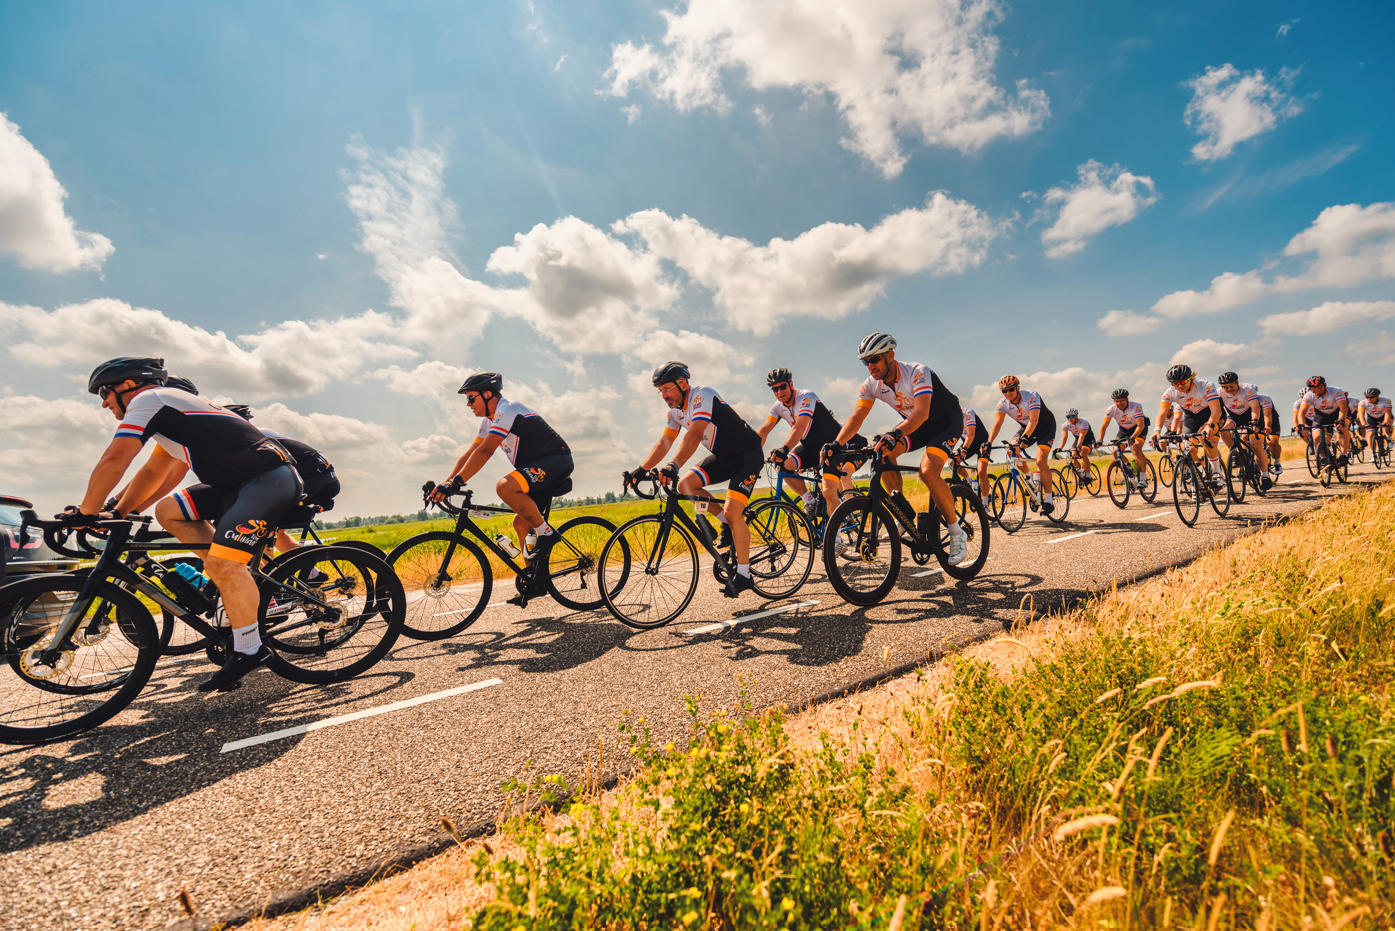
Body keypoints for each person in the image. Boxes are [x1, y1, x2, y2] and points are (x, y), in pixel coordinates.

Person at [78, 357, 301, 692]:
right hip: (236, 486)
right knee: (168, 511)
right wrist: (116, 512)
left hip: (266, 480)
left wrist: (85, 512)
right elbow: (153, 474)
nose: (103, 403)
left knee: (225, 565)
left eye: (105, 393)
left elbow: (116, 458)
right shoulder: (167, 413)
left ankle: (250, 648)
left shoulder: (148, 400)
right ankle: (231, 580)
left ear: (128, 386)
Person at [824, 333, 969, 565]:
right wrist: (836, 444)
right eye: (866, 362)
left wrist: (895, 433)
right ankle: (903, 511)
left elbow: (922, 412)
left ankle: (955, 532)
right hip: (916, 425)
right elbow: (856, 418)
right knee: (883, 452)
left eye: (875, 359)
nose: (870, 366)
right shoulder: (871, 385)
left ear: (890, 355)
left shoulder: (918, 372)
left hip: (944, 422)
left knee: (928, 472)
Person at [432, 373, 574, 599]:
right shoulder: (488, 420)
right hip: (536, 468)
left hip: (557, 461)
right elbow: (470, 453)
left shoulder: (507, 410)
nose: (468, 404)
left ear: (487, 394)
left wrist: (457, 482)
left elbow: (486, 451)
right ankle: (533, 580)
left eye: (471, 398)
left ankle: (547, 533)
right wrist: (446, 483)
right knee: (520, 523)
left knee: (504, 487)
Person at [634, 362, 763, 597]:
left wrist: (673, 465)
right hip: (724, 457)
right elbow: (664, 443)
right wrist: (640, 470)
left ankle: (744, 574)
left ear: (683, 384)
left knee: (736, 513)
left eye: (667, 389)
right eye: (660, 391)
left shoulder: (701, 395)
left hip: (747, 456)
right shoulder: (674, 412)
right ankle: (725, 522)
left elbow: (694, 433)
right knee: (686, 485)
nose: (664, 395)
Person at [223, 405, 340, 556]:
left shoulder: (253, 437)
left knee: (260, 527)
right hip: (321, 479)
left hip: (315, 480)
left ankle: (269, 576)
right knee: (272, 531)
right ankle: (309, 573)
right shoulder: (258, 433)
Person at [755, 367, 864, 521]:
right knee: (783, 465)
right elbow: (764, 430)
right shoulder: (778, 407)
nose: (779, 392)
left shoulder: (806, 397)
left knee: (828, 491)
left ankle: (837, 539)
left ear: (791, 384)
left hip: (832, 448)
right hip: (811, 448)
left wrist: (784, 448)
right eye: (775, 389)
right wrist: (753, 451)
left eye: (782, 386)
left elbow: (799, 427)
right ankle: (809, 501)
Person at [986, 375, 1058, 515]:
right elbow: (997, 424)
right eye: (1004, 391)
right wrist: (988, 443)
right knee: (1011, 450)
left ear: (1017, 388)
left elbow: (1034, 420)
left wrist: (1025, 437)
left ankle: (1048, 500)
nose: (1008, 393)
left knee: (1040, 460)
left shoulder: (1031, 396)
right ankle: (1030, 479)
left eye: (1011, 389)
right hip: (1026, 428)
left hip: (1044, 427)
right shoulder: (1002, 404)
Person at [1154, 364, 1225, 489]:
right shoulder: (1169, 393)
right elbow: (1161, 414)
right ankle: (1199, 471)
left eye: (1182, 382)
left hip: (1212, 414)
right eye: (1175, 384)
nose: (1179, 386)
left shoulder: (1205, 385)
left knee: (1205, 436)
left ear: (1190, 378)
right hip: (1191, 417)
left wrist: (1209, 425)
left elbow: (1216, 410)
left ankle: (1218, 474)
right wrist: (1157, 431)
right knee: (1186, 446)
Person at [1215, 372, 1273, 490]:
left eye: (1231, 385)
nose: (1229, 389)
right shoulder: (1219, 392)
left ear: (1237, 382)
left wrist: (1255, 422)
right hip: (1234, 417)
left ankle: (1265, 475)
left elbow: (1255, 407)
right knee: (1222, 430)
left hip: (1251, 415)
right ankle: (1236, 452)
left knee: (1255, 445)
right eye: (1225, 387)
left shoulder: (1247, 388)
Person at [1098, 388, 1151, 486]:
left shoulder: (1136, 406)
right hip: (1123, 430)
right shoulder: (1111, 409)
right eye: (1117, 401)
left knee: (1136, 448)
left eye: (1122, 400)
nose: (1119, 403)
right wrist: (1100, 440)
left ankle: (1143, 479)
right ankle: (1128, 467)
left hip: (1139, 429)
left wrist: (1132, 438)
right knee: (1115, 451)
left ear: (1127, 399)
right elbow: (1103, 426)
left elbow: (1141, 425)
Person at [1297, 376, 1352, 465]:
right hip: (1321, 415)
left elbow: (1343, 407)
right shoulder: (1309, 395)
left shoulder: (1336, 391)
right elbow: (1302, 411)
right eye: (1313, 388)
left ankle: (1344, 455)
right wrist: (1300, 423)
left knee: (1343, 427)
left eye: (1320, 386)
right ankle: (1323, 457)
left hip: (1338, 412)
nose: (1317, 390)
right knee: (1316, 436)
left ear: (1325, 385)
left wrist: (1341, 419)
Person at [953, 404, 992, 495]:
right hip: (969, 444)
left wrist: (964, 448)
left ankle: (985, 503)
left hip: (981, 443)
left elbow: (971, 434)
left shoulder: (968, 413)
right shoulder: (951, 417)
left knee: (981, 471)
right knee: (953, 461)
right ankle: (970, 482)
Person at [1053, 409, 1095, 477]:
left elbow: (1082, 435)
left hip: (1088, 440)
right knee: (1073, 456)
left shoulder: (1084, 422)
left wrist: (1078, 446)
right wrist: (1060, 448)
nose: (1070, 419)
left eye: (1072, 417)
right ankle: (1080, 474)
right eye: (1068, 417)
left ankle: (1088, 475)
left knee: (1083, 453)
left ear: (1076, 416)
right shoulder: (1065, 425)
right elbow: (1064, 437)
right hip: (1077, 440)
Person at [1253, 392, 1283, 476]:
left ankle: (1276, 463)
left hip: (1271, 421)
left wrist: (1267, 426)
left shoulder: (1264, 399)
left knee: (1271, 442)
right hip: (1257, 422)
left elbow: (1268, 414)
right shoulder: (1243, 401)